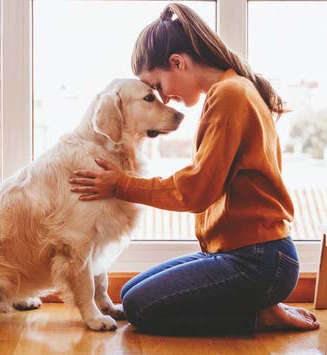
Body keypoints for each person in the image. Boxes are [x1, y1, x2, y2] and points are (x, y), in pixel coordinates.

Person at [69, 3, 319, 334]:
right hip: (241, 254)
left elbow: (196, 191)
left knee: (142, 308)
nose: (164, 99)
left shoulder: (230, 95)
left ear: (178, 62)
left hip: (260, 261)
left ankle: (258, 315)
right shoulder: (230, 89)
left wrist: (120, 185)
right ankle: (257, 303)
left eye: (158, 86)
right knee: (129, 295)